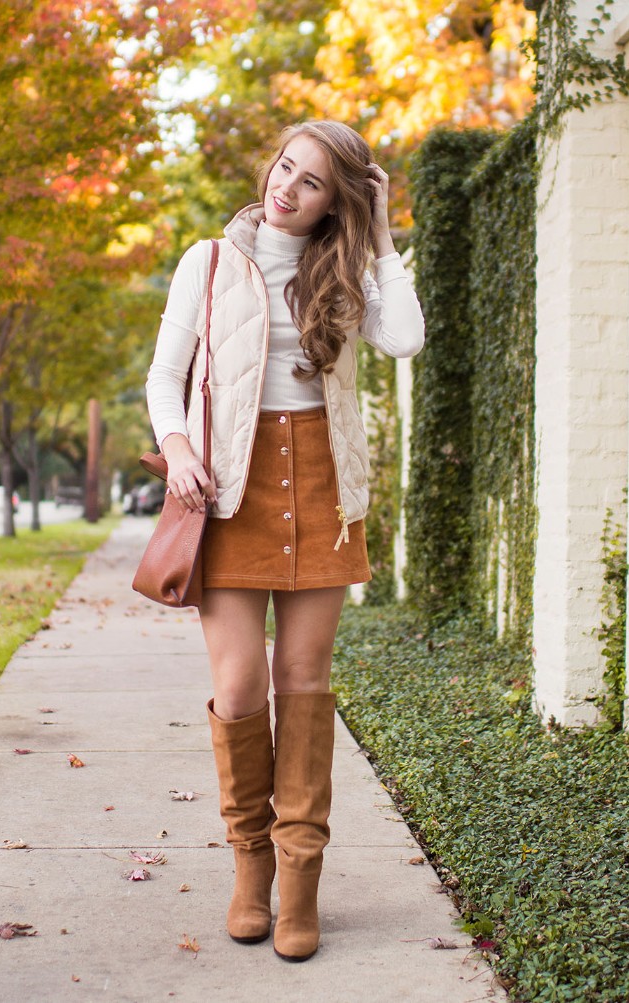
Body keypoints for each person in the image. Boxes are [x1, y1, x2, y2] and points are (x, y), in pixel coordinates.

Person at [146, 120, 424, 962]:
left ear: (333, 201)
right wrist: (181, 447)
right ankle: (251, 868)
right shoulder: (209, 261)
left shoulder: (341, 272)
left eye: (311, 183)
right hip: (229, 488)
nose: (287, 187)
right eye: (285, 167)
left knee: (302, 680)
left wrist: (377, 232)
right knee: (238, 688)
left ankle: (300, 881)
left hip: (321, 485)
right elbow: (165, 373)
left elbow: (404, 337)